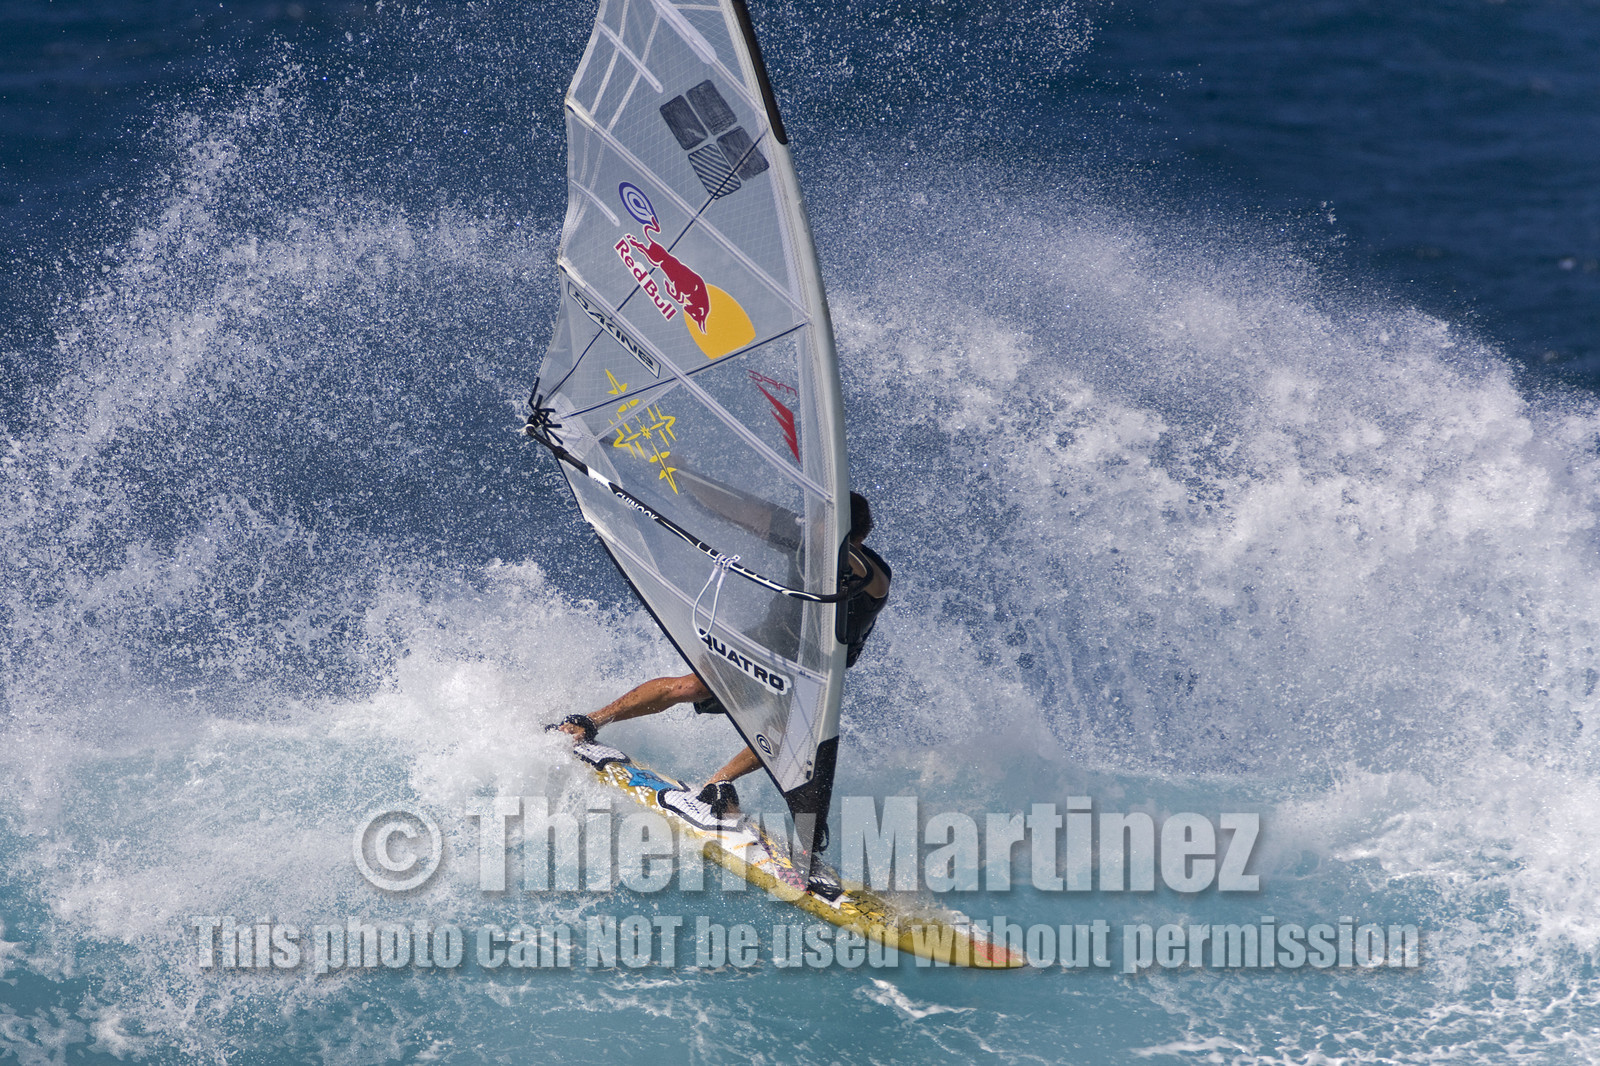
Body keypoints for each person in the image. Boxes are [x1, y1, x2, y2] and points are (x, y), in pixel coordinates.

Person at [556, 492, 891, 820]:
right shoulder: (805, 539)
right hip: (767, 642)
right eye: (817, 524)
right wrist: (679, 474)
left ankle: (718, 782)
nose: (816, 532)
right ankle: (590, 721)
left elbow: (872, 579)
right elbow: (740, 509)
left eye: (824, 526)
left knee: (787, 733)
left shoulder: (876, 578)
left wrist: (831, 540)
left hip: (812, 672)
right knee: (692, 686)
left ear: (857, 537)